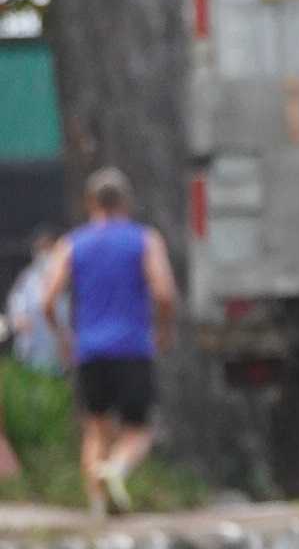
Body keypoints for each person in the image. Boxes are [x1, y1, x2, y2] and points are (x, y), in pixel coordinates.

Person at [41, 170, 177, 517]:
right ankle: (117, 468)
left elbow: (48, 299)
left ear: (90, 203)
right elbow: (164, 292)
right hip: (132, 348)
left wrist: (63, 337)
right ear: (126, 202)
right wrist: (163, 330)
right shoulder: (144, 240)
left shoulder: (72, 244)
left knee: (95, 430)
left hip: (89, 350)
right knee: (139, 429)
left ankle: (99, 509)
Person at [7, 229, 63, 377]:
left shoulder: (64, 276)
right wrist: (18, 319)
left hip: (59, 346)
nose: (44, 254)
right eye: (40, 249)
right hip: (32, 348)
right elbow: (16, 305)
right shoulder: (27, 278)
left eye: (48, 249)